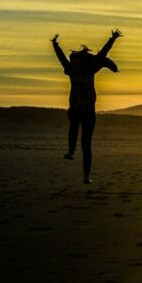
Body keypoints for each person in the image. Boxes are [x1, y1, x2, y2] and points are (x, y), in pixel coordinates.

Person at [52, 29, 122, 184]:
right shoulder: (71, 71)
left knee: (86, 145)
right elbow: (61, 58)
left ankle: (86, 176)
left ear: (83, 63)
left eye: (77, 63)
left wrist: (112, 38)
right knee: (73, 125)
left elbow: (102, 54)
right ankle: (70, 151)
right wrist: (55, 45)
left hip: (89, 112)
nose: (74, 65)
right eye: (73, 63)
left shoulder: (91, 69)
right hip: (76, 109)